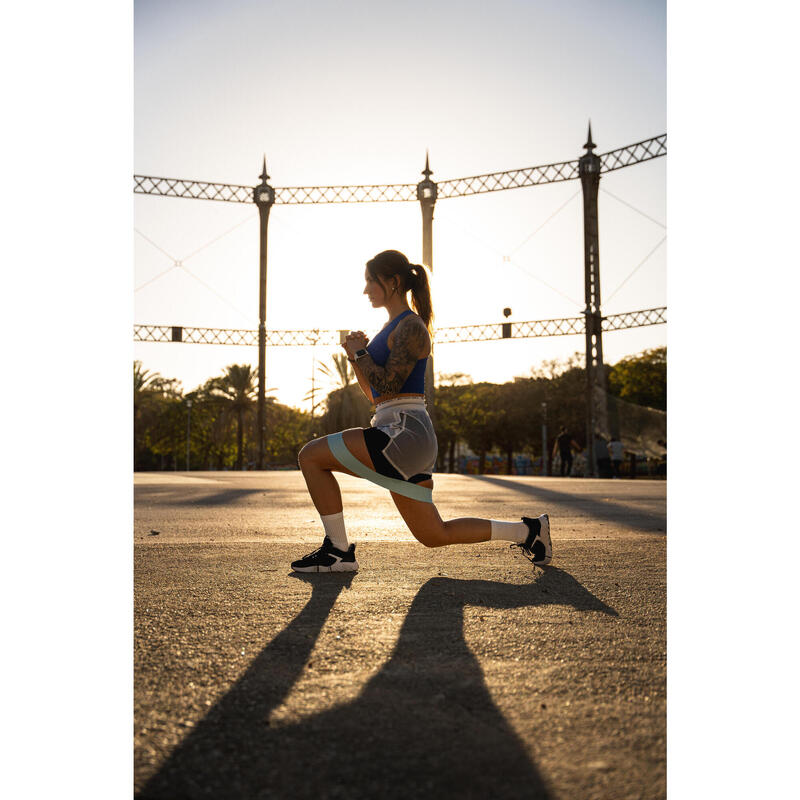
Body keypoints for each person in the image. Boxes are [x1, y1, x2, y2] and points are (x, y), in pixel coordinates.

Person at [291, 249, 551, 573]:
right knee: (434, 534)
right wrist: (356, 357)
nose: (365, 290)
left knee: (311, 456)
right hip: (400, 430)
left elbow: (387, 385)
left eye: (371, 281)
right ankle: (529, 531)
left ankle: (338, 551)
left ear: (393, 281)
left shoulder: (411, 327)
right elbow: (376, 397)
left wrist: (361, 352)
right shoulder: (393, 327)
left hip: (403, 432)